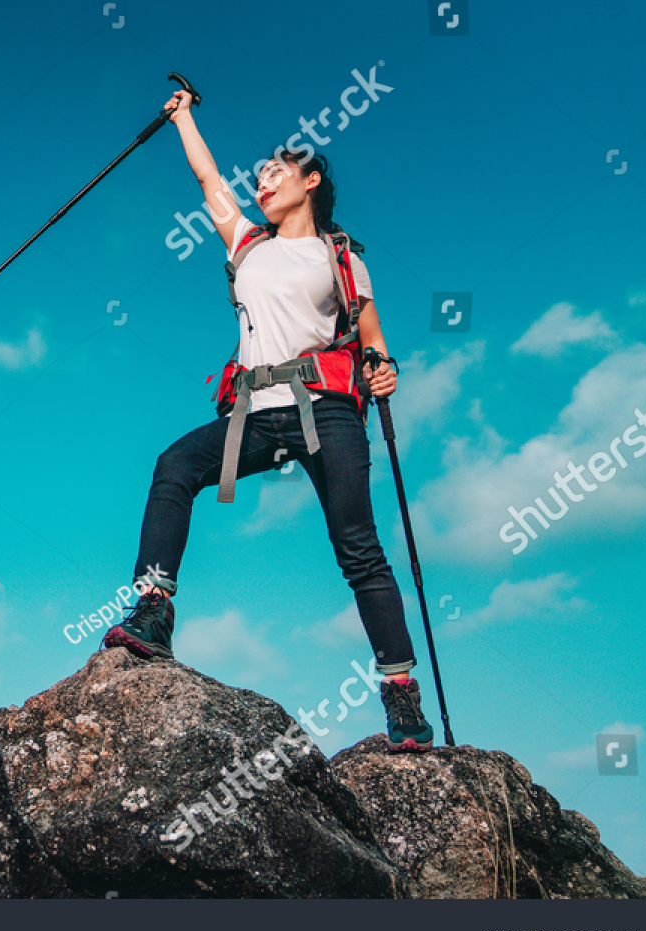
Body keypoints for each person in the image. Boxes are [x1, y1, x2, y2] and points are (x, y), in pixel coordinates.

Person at [102, 88, 434, 753]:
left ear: (311, 181)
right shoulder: (245, 243)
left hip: (329, 411)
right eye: (257, 176)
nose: (261, 181)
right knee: (175, 465)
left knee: (358, 548)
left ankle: (400, 694)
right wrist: (184, 115)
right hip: (257, 413)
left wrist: (383, 366)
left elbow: (372, 338)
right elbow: (206, 177)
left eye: (276, 171)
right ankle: (154, 609)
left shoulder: (342, 258)